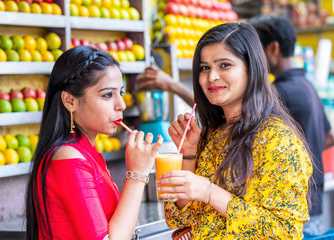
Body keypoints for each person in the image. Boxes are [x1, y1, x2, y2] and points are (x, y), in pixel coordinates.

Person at [158, 22, 313, 239]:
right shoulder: (213, 134)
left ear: (251, 69)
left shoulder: (278, 140)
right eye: (204, 68)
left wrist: (209, 192)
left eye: (224, 65)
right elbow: (180, 219)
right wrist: (189, 152)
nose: (211, 77)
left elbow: (284, 233)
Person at [25, 46, 163, 240]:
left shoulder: (86, 152)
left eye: (120, 92)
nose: (121, 104)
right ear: (70, 101)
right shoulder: (68, 158)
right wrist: (138, 174)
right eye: (107, 94)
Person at [251, 15, 334, 235]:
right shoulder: (306, 86)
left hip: (291, 207)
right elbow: (328, 137)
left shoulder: (277, 94)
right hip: (310, 203)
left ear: (273, 48)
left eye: (255, 50)